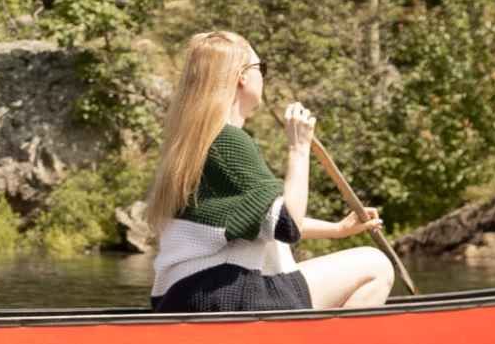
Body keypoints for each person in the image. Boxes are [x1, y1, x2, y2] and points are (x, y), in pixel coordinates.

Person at [142, 29, 397, 313]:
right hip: (228, 294)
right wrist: (298, 149)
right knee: (377, 264)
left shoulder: (191, 144)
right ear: (242, 76)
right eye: (260, 67)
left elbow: (263, 220)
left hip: (183, 295)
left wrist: (337, 230)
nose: (263, 75)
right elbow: (287, 224)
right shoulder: (228, 141)